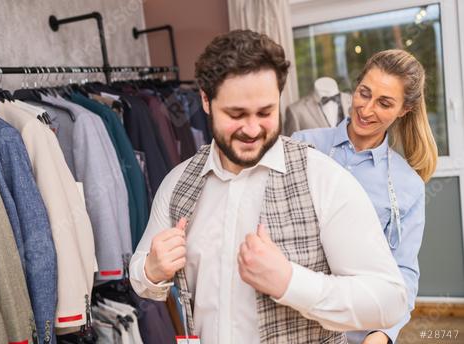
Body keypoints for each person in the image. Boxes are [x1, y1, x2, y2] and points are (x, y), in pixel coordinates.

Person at [129, 30, 407, 344]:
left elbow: (388, 300)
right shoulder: (178, 183)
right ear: (205, 100)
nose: (251, 129)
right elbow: (140, 274)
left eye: (265, 113)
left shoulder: (323, 179)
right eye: (236, 114)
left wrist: (290, 282)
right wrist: (151, 269)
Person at [292, 49, 438, 344]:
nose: (366, 109)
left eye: (384, 103)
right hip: (293, 320)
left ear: (403, 110)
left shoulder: (407, 184)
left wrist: (383, 333)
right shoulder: (302, 146)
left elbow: (404, 272)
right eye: (363, 93)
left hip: (356, 331)